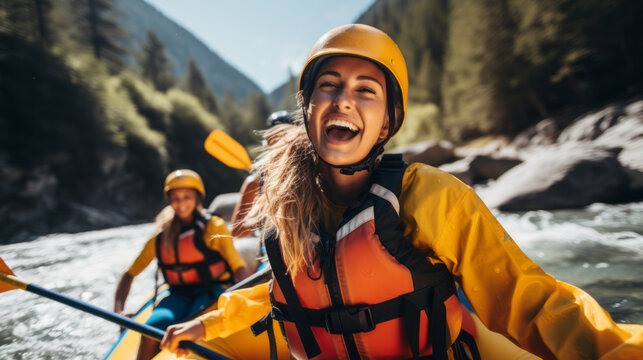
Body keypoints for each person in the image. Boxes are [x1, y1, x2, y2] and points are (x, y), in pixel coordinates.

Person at [159, 24, 643, 359]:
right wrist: (211, 323)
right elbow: (281, 292)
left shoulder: (431, 197)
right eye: (328, 86)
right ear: (308, 112)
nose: (344, 97)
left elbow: (531, 299)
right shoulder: (288, 209)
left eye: (365, 89)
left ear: (388, 120)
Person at [114, 169, 250, 360]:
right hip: (178, 295)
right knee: (149, 331)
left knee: (193, 325)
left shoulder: (214, 226)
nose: (181, 202)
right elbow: (129, 275)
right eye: (175, 197)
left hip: (212, 290)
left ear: (197, 198)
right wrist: (119, 311)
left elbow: (237, 266)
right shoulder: (161, 236)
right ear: (169, 200)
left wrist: (247, 296)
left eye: (187, 196)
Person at [230, 110, 296, 239]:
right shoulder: (255, 182)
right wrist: (260, 215)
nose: (280, 146)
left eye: (286, 140)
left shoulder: (311, 177)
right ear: (267, 144)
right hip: (268, 251)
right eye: (274, 141)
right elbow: (236, 232)